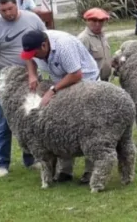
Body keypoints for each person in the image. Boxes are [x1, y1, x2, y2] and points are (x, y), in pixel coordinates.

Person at [21, 29, 99, 184]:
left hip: (86, 82)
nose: (33, 57)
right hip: (62, 82)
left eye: (35, 53)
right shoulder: (36, 42)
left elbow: (76, 74)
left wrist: (52, 90)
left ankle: (91, 171)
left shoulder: (64, 47)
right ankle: (65, 170)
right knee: (64, 125)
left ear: (44, 45)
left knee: (88, 125)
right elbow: (27, 56)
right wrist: (32, 74)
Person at [0, 0, 46, 178]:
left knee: (30, 116)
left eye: (10, 8)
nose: (8, 13)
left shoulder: (32, 19)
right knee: (4, 122)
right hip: (8, 80)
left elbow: (45, 40)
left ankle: (31, 157)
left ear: (16, 5)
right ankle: (2, 163)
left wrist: (35, 73)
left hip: (32, 76)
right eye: (3, 10)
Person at [77, 8, 112, 82]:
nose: (98, 24)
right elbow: (79, 64)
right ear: (87, 21)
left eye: (101, 21)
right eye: (94, 20)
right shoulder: (83, 39)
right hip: (93, 82)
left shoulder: (103, 36)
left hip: (105, 80)